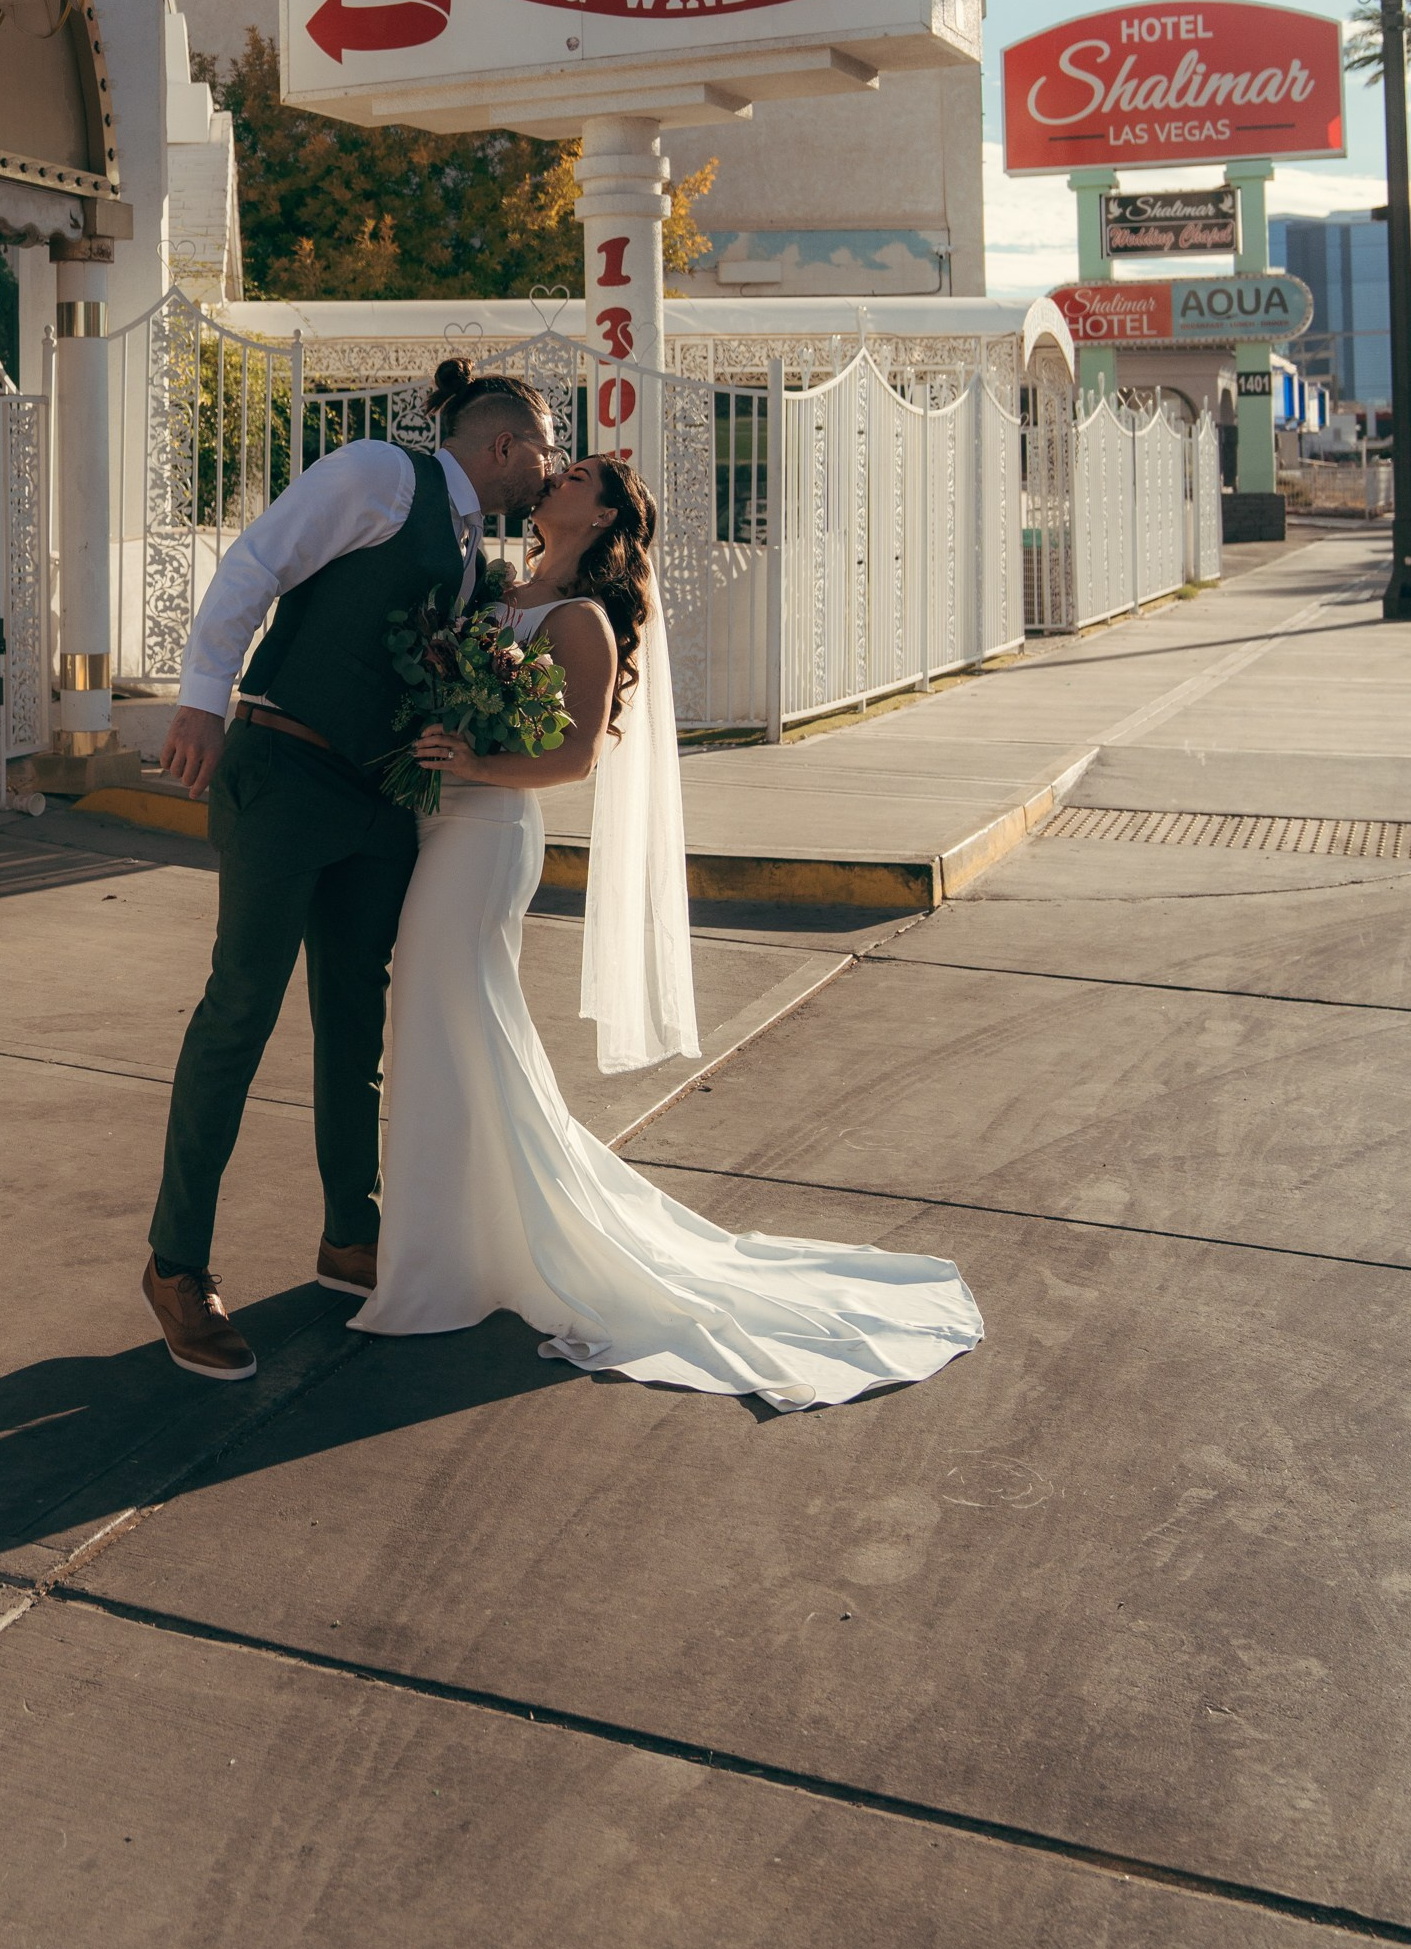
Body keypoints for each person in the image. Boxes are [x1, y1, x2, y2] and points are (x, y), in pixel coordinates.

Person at [356, 441, 984, 1412]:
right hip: (433, 822)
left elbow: (572, 759)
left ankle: (453, 1258)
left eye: (574, 479)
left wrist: (476, 766)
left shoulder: (582, 620)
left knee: (455, 1022)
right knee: (443, 1031)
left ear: (602, 516)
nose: (554, 479)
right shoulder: (496, 589)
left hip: (484, 838)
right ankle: (456, 1242)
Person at [143, 360, 560, 1381]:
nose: (547, 475)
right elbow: (256, 563)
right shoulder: (381, 472)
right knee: (239, 1008)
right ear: (502, 443)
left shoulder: (472, 552)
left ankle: (347, 1236)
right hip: (283, 771)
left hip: (377, 805)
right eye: (545, 452)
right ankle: (176, 1265)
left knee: (354, 1022)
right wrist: (201, 695)